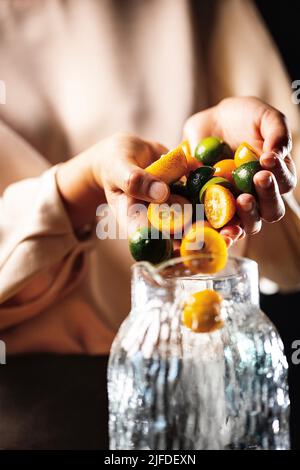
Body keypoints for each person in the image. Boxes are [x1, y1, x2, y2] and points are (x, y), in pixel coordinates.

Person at [0, 0, 299, 449]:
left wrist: (270, 158)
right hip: (33, 408)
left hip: (204, 377)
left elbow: (290, 246)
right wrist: (79, 186)